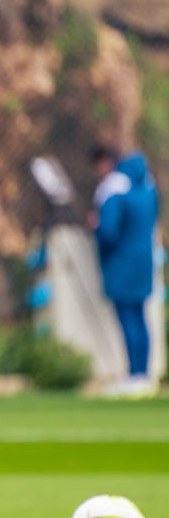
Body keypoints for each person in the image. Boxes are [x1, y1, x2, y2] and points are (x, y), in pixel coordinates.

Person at [90, 144, 161, 397]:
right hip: (145, 264)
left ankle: (134, 375)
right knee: (140, 319)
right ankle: (143, 375)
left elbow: (108, 231)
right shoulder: (149, 191)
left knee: (128, 320)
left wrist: (96, 227)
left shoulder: (115, 191)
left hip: (121, 266)